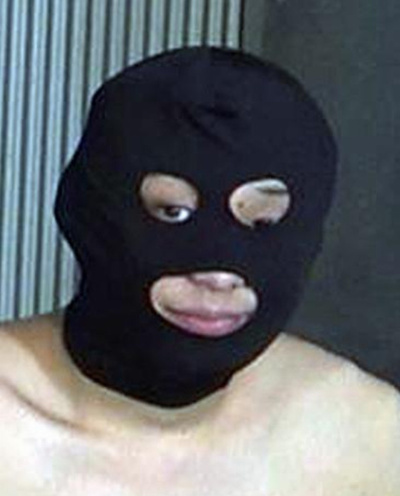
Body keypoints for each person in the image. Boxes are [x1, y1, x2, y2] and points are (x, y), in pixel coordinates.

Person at [0, 46, 399, 495]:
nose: (220, 275)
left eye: (263, 222)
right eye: (172, 212)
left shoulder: (367, 438)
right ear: (88, 213)